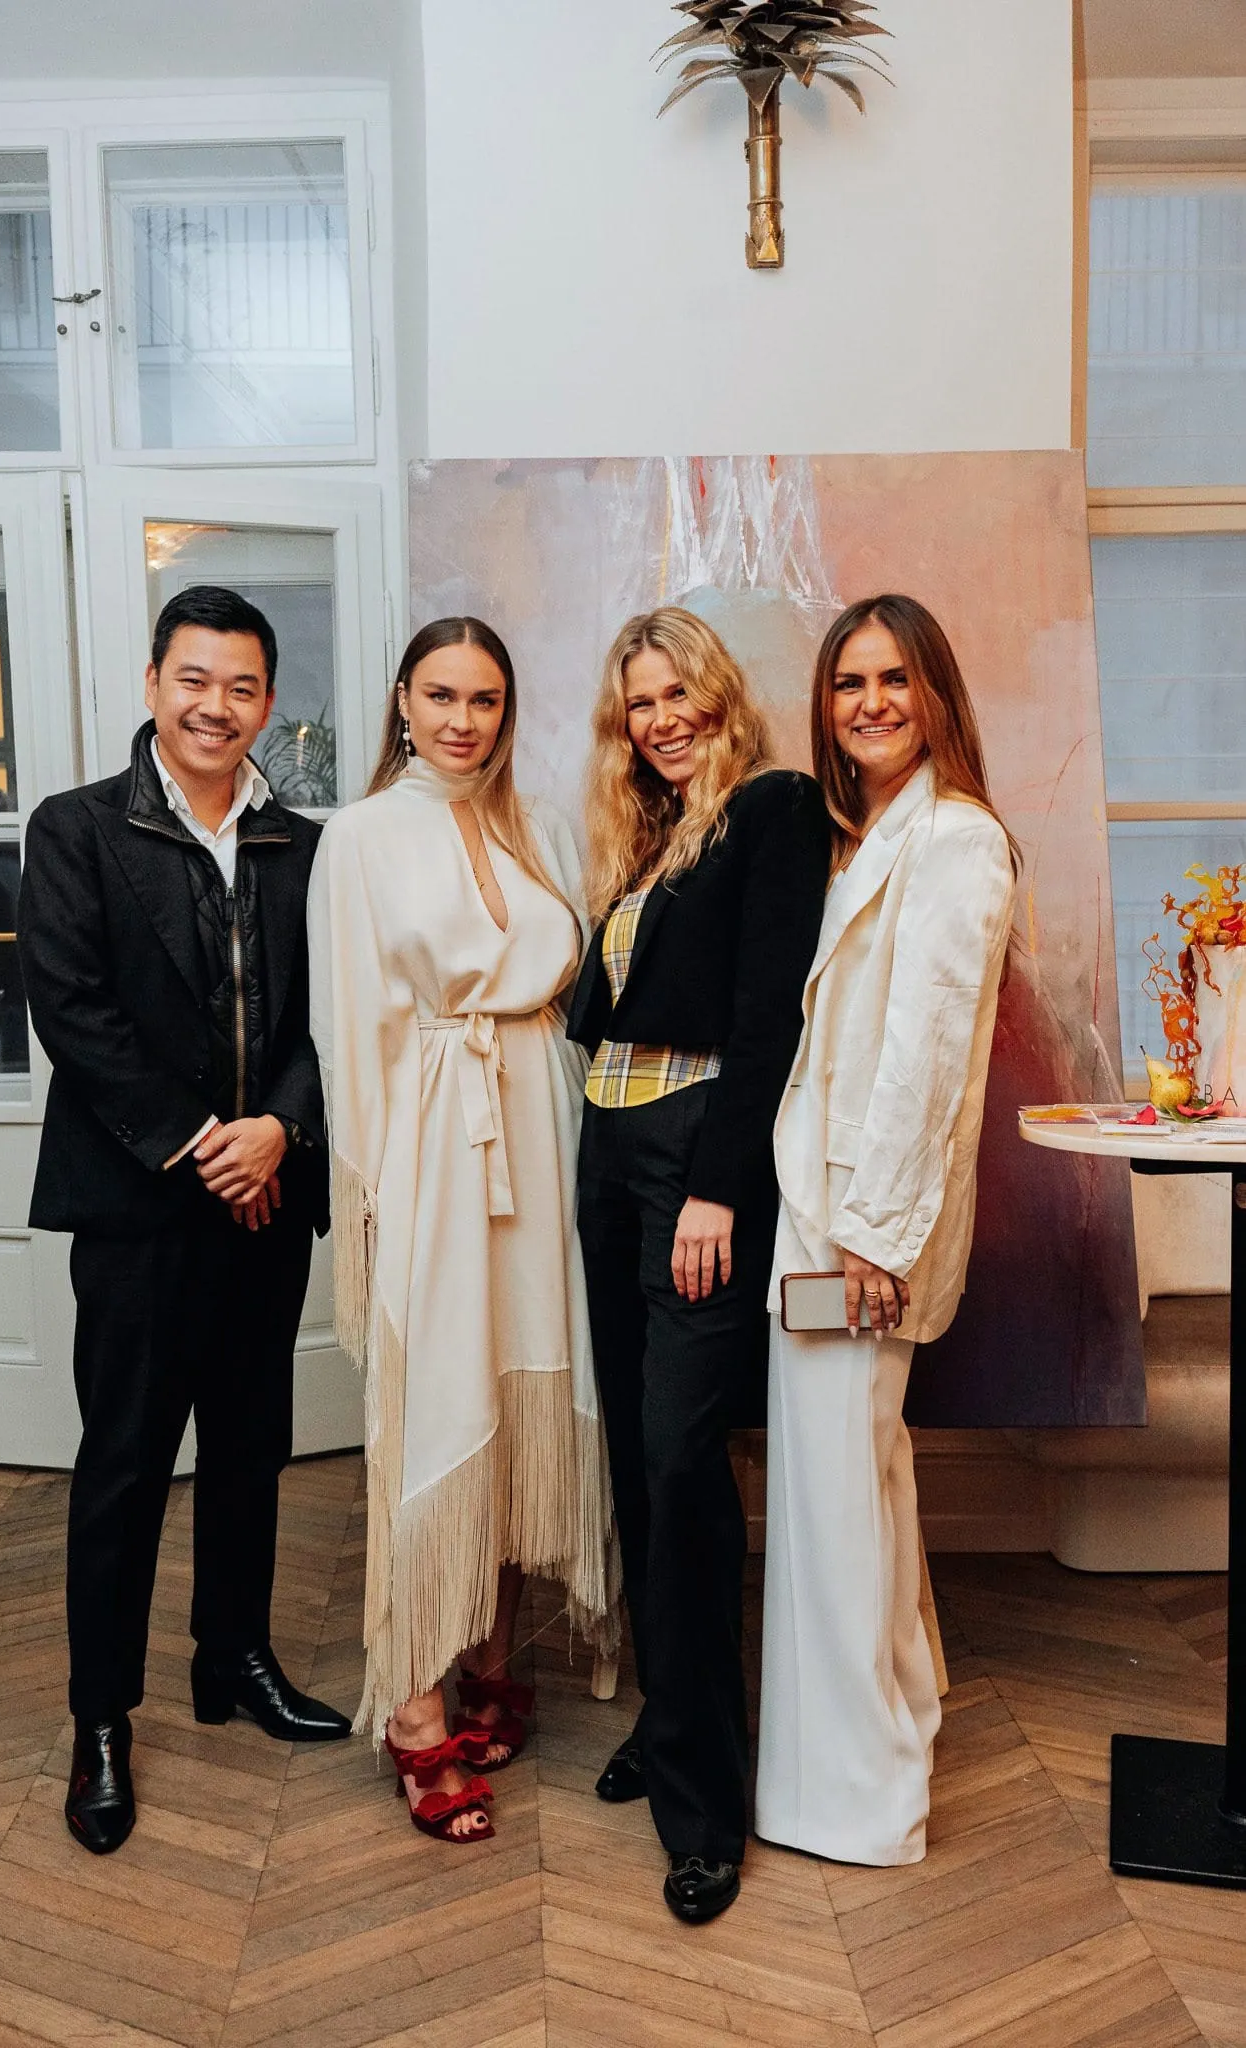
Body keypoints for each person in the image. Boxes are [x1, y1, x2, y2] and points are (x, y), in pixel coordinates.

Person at [19, 585, 350, 1859]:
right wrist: (211, 1144)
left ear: (268, 701)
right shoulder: (78, 828)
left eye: (243, 685)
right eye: (195, 679)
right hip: (141, 1201)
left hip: (270, 1195)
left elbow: (331, 1012)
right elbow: (74, 1010)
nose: (218, 705)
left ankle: (235, 1656)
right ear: (154, 681)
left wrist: (281, 1126)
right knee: (125, 1464)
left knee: (254, 1444)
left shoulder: (305, 844)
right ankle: (102, 1717)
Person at [308, 617, 615, 1845]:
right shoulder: (359, 836)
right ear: (402, 699)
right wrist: (377, 1194)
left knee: (518, 1383)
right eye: (440, 694)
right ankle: (416, 1704)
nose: (462, 720)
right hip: (436, 1134)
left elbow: (575, 989)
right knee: (435, 1394)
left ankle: (490, 1654)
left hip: (543, 1120)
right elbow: (350, 1031)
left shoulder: (536, 823)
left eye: (485, 698)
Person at [568, 606, 830, 1924]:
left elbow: (769, 1016)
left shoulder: (773, 809)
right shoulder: (646, 835)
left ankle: (705, 1810)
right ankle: (669, 1717)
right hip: (605, 1152)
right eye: (641, 703)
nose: (662, 720)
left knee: (682, 1460)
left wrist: (720, 1187)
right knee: (633, 1456)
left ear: (720, 693)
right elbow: (602, 1011)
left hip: (693, 1159)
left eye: (680, 694)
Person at [756, 593, 1017, 1868]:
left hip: (861, 1222)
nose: (870, 702)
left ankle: (861, 1800)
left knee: (838, 1504)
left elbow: (928, 1061)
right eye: (850, 681)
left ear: (935, 693)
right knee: (860, 1480)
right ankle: (898, 1718)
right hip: (822, 1203)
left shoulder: (957, 839)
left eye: (895, 678)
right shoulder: (865, 838)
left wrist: (873, 1236)